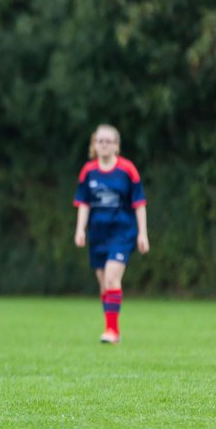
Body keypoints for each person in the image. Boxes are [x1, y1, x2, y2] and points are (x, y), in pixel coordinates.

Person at [73, 124, 149, 344]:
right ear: (94, 145)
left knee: (112, 277)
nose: (103, 145)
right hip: (98, 234)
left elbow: (139, 203)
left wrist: (142, 233)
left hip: (122, 232)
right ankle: (111, 327)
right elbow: (84, 203)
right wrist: (80, 229)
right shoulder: (88, 171)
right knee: (104, 284)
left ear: (116, 145)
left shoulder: (127, 170)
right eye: (100, 141)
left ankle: (112, 331)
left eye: (108, 141)